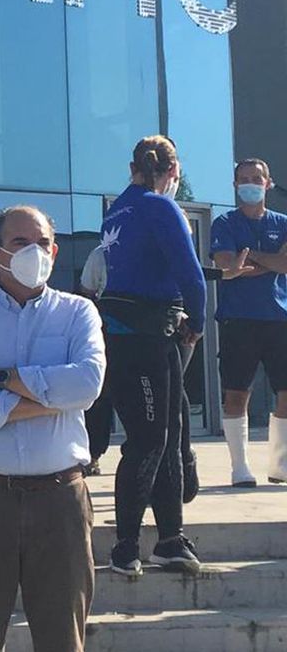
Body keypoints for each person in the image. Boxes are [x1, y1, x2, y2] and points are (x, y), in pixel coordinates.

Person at [0, 205, 106, 652]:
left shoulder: (78, 313)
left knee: (62, 640)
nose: (35, 251)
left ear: (55, 250)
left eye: (42, 243)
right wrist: (48, 401)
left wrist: (0, 378)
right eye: (20, 242)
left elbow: (87, 384)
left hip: (59, 501)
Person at [100, 135, 206, 577]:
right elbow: (190, 272)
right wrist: (197, 321)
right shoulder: (160, 206)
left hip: (128, 334)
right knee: (149, 439)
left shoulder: (116, 210)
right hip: (146, 337)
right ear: (173, 171)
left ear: (133, 167)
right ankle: (125, 545)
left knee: (169, 433)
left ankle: (170, 538)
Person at [211, 158, 287, 486]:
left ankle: (280, 465)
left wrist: (252, 255)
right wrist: (272, 260)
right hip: (238, 319)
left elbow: (285, 265)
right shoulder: (224, 222)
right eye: (244, 179)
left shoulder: (283, 223)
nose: (250, 184)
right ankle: (239, 468)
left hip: (280, 318)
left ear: (268, 183)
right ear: (234, 185)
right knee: (236, 393)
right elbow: (228, 266)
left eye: (257, 178)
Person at [77, 243, 114, 475]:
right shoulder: (101, 253)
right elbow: (87, 291)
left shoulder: (159, 248)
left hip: (148, 334)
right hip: (108, 331)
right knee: (100, 396)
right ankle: (92, 455)